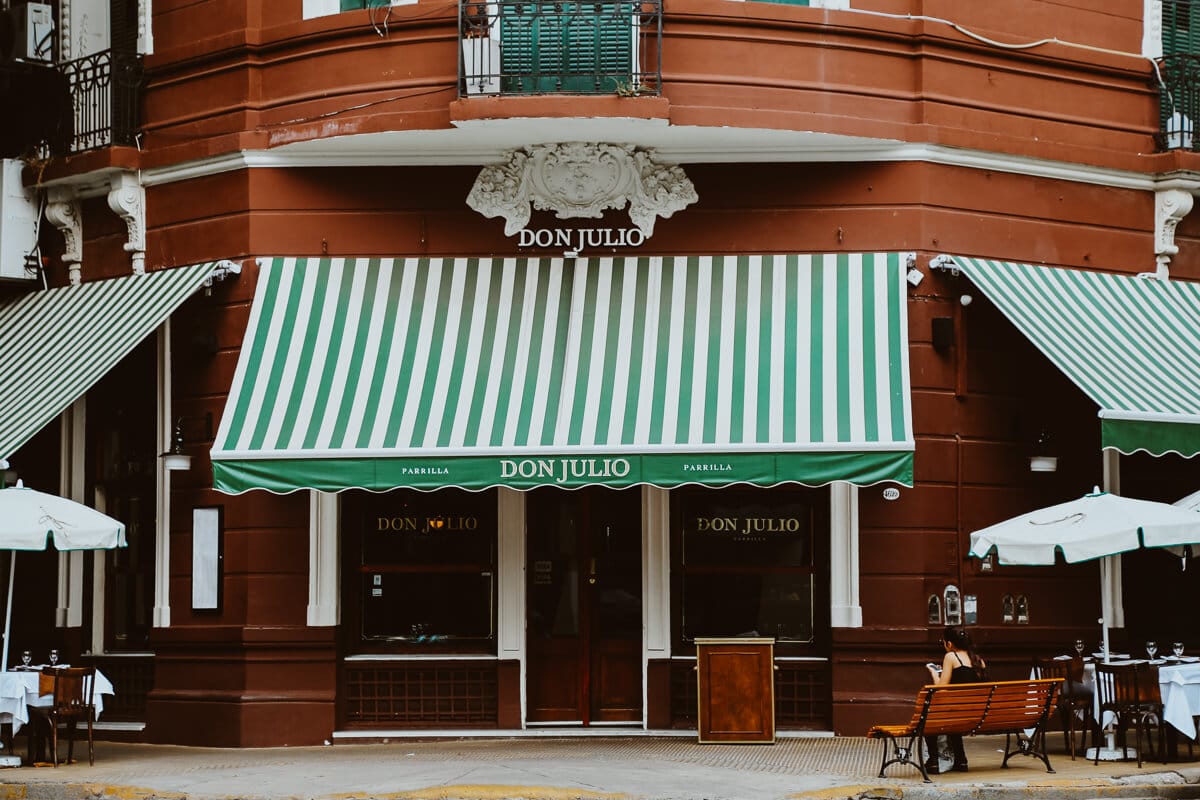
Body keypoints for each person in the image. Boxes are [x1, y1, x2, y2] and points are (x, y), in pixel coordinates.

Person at [923, 626, 987, 774]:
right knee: (954, 714)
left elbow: (941, 689)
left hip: (957, 713)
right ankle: (960, 759)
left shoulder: (951, 657)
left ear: (949, 644)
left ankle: (933, 761)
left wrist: (934, 674)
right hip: (978, 715)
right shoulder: (979, 661)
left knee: (929, 717)